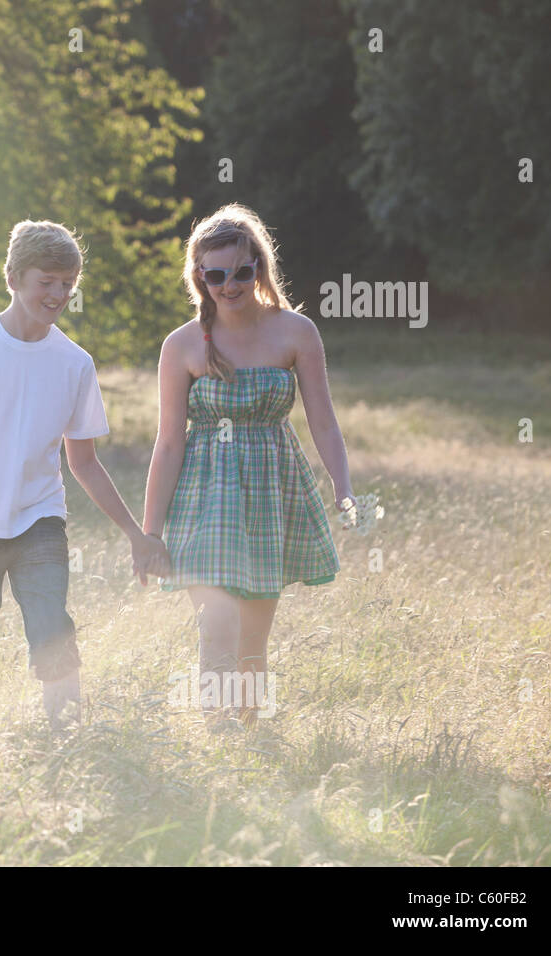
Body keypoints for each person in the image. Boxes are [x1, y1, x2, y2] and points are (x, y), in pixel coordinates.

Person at [0, 220, 170, 732]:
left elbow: (84, 462)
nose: (57, 294)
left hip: (39, 522)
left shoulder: (74, 364)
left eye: (66, 284)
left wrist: (135, 535)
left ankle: (67, 736)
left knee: (53, 628)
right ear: (13, 277)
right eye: (46, 281)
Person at [141, 204, 351, 729]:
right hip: (204, 495)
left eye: (240, 271)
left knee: (254, 637)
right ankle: (216, 732)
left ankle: (248, 736)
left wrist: (343, 488)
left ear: (258, 267)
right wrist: (149, 532)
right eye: (215, 275)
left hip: (270, 492)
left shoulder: (297, 332)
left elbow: (324, 423)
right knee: (218, 624)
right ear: (199, 277)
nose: (229, 285)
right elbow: (168, 443)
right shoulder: (182, 345)